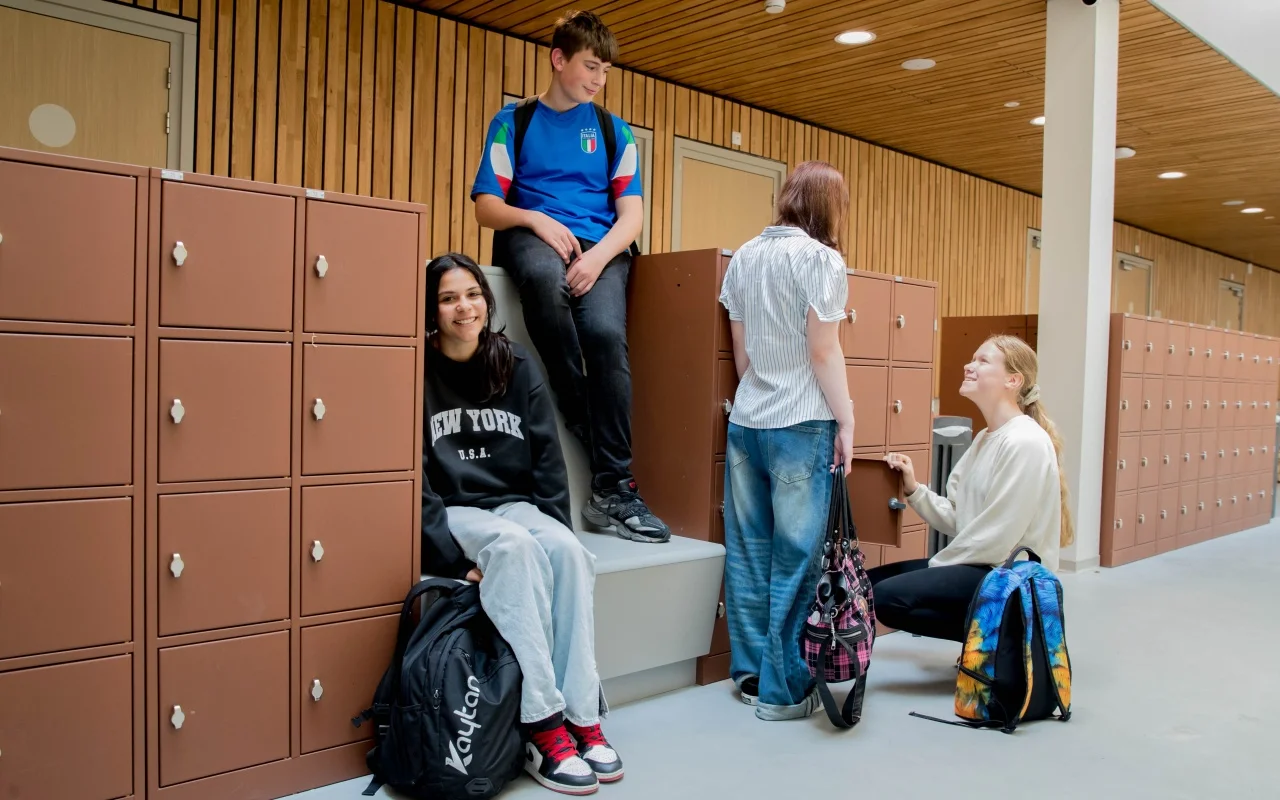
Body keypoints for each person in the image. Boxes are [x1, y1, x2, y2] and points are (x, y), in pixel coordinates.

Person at [418, 253, 621, 795]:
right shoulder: (417, 370)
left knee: (568, 552)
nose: (464, 307)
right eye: (448, 299)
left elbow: (547, 459)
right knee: (512, 548)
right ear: (432, 311)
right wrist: (450, 559)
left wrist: (559, 530)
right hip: (457, 509)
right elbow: (414, 480)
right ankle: (542, 724)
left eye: (472, 295)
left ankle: (582, 716)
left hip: (512, 503)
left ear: (486, 300)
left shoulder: (515, 363)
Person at [470, 9, 670, 544]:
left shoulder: (613, 131)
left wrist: (597, 258)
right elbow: (486, 206)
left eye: (605, 70)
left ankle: (614, 489)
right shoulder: (513, 122)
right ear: (559, 60)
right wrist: (535, 218)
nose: (599, 79)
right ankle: (579, 409)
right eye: (590, 66)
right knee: (543, 281)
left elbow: (632, 216)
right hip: (530, 234)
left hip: (600, 247)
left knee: (603, 334)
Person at [717, 161, 856, 721]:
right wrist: (847, 422)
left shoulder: (745, 256)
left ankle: (752, 676)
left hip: (748, 420)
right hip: (801, 423)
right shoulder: (822, 260)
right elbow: (824, 351)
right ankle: (783, 691)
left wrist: (762, 392)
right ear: (829, 207)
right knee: (797, 558)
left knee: (749, 549)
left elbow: (742, 354)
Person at [878, 334, 1073, 642]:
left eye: (983, 361)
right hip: (984, 565)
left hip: (1010, 577)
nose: (969, 366)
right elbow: (959, 518)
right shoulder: (985, 438)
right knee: (871, 583)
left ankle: (1009, 636)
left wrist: (934, 569)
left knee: (888, 596)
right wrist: (914, 488)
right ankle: (991, 639)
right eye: (972, 359)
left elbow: (998, 535)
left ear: (1013, 380)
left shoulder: (1025, 441)